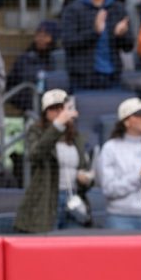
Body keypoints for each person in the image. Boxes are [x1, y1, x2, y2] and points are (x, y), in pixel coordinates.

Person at [14, 89, 94, 232]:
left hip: (73, 200)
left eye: (61, 108)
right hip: (47, 200)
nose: (59, 112)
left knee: (74, 248)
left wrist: (87, 179)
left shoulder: (76, 136)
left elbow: (85, 168)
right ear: (45, 113)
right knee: (49, 248)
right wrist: (57, 126)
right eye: (53, 109)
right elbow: (35, 155)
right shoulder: (36, 131)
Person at [99, 97, 141, 230]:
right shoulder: (110, 148)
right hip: (119, 217)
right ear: (126, 121)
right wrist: (140, 175)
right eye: (139, 115)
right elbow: (109, 189)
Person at [61, 0, 132, 90]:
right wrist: (94, 32)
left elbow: (129, 47)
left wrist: (121, 35)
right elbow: (67, 42)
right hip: (82, 79)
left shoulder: (118, 8)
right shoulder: (73, 9)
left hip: (113, 77)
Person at [6, 20, 62, 112]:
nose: (40, 39)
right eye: (38, 34)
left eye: (45, 36)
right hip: (28, 108)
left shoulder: (59, 59)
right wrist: (25, 104)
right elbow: (11, 84)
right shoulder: (25, 58)